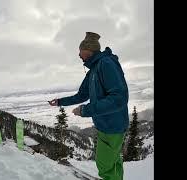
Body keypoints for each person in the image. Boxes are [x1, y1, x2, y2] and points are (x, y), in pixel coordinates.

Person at [48, 32, 129, 180]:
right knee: (113, 162)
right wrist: (59, 102)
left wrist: (86, 110)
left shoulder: (106, 64)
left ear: (89, 50)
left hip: (113, 125)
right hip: (105, 124)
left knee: (105, 166)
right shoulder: (93, 70)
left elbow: (119, 98)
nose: (79, 55)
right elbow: (81, 95)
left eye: (80, 52)